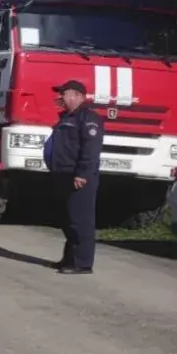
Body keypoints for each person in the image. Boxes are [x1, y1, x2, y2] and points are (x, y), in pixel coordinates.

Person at [47, 79, 103, 275]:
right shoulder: (66, 117)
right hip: (63, 175)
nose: (60, 97)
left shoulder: (88, 119)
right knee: (68, 219)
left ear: (78, 96)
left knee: (81, 220)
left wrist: (82, 174)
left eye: (64, 93)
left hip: (79, 177)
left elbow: (90, 150)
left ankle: (83, 263)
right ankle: (69, 258)